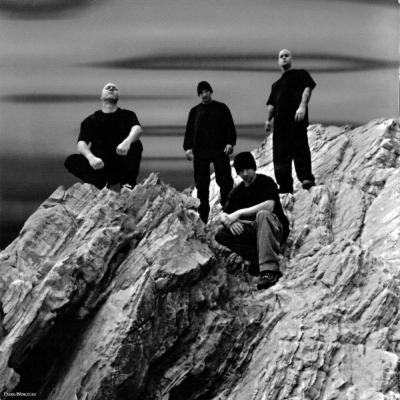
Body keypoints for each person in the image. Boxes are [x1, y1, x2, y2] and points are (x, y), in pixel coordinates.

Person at [215, 152, 289, 290]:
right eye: (241, 171)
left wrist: (239, 213)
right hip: (254, 232)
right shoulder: (237, 192)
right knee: (221, 233)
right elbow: (223, 215)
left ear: (253, 167)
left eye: (247, 169)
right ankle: (257, 258)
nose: (245, 173)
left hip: (274, 228)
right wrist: (230, 222)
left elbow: (269, 206)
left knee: (262, 215)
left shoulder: (266, 182)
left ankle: (269, 270)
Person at [65, 82, 143, 189]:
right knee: (71, 160)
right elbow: (81, 143)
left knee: (136, 143)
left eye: (114, 88)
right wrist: (91, 158)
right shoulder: (90, 120)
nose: (111, 89)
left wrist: (127, 142)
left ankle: (127, 184)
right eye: (108, 88)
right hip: (99, 166)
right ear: (101, 96)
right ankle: (99, 183)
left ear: (118, 96)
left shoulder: (128, 115)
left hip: (122, 164)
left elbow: (137, 129)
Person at [183, 81, 237, 223]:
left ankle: (228, 211)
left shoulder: (221, 108)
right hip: (200, 152)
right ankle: (203, 217)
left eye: (206, 91)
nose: (204, 94)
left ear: (211, 92)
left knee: (225, 181)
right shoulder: (195, 111)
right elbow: (189, 131)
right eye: (201, 92)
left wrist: (230, 143)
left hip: (219, 150)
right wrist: (187, 148)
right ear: (199, 95)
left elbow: (230, 126)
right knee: (202, 185)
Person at [265, 49, 316, 194]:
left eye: (286, 55)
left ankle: (306, 178)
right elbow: (271, 105)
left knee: (300, 148)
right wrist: (268, 120)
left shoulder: (301, 74)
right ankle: (285, 186)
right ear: (278, 61)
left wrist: (302, 106)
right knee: (280, 155)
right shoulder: (275, 85)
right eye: (281, 56)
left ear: (291, 58)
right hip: (280, 125)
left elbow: (307, 90)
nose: (284, 58)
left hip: (296, 119)